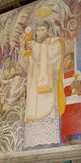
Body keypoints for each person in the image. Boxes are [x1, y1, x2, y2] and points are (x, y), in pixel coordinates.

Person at [19, 20, 65, 150]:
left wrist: (37, 48)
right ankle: (34, 143)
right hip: (34, 90)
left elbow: (52, 58)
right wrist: (23, 47)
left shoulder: (55, 43)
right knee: (34, 118)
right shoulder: (34, 46)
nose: (38, 33)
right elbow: (26, 66)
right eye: (37, 30)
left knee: (47, 115)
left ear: (47, 31)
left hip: (47, 87)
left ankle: (49, 141)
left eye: (41, 30)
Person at [61, 52, 81, 145]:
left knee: (76, 126)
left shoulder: (77, 73)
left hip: (76, 105)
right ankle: (68, 143)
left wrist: (79, 86)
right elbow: (61, 93)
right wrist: (70, 87)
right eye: (65, 60)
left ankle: (77, 141)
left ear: (73, 61)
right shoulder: (62, 77)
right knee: (67, 128)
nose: (66, 62)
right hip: (66, 106)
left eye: (68, 59)